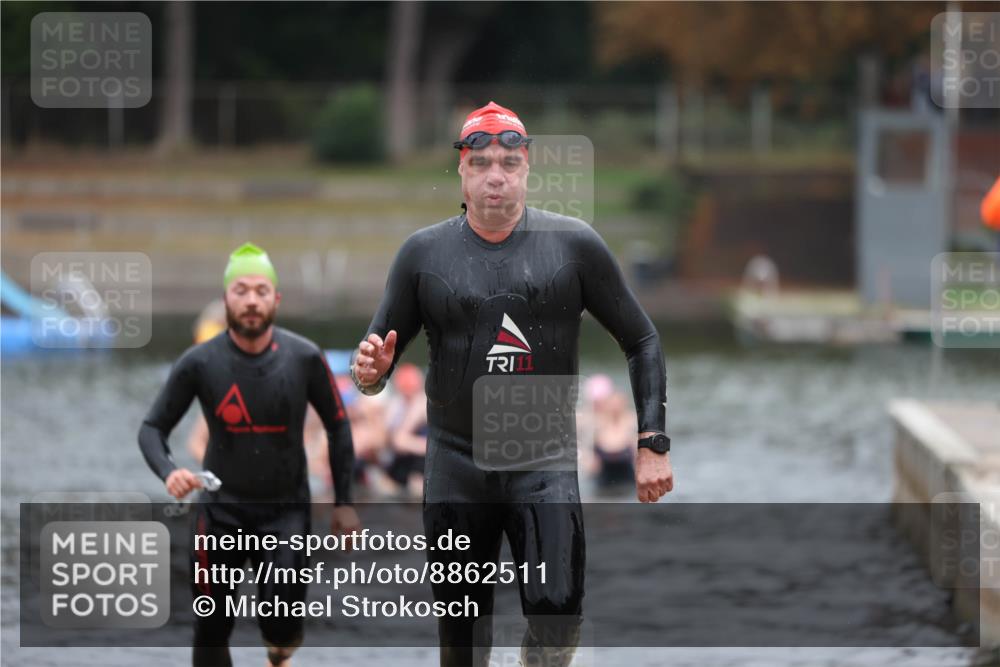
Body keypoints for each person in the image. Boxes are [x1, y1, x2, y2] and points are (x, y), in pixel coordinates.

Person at [352, 101, 672, 666]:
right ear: (461, 171)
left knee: (557, 615)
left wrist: (651, 442)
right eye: (481, 164)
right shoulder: (422, 255)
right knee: (463, 641)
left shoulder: (574, 246)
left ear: (527, 166)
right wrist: (371, 377)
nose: (494, 175)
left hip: (541, 462)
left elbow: (642, 339)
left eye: (507, 161)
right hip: (455, 463)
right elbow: (374, 365)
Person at [138, 243, 360, 667]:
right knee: (210, 628)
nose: (252, 300)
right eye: (241, 290)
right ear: (226, 299)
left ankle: (279, 656)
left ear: (276, 299)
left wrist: (344, 504)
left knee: (280, 627)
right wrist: (169, 472)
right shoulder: (199, 362)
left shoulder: (305, 358)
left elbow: (338, 425)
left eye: (261, 290)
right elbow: (152, 429)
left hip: (286, 513)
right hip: (219, 513)